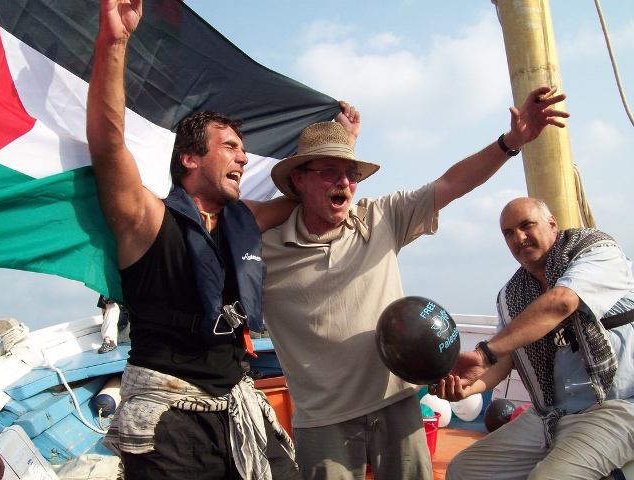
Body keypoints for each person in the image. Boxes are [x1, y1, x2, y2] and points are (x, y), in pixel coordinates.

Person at [85, 1, 364, 478]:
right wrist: (115, 42)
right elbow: (109, 144)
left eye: (243, 149)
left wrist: (343, 149)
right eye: (230, 147)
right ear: (190, 159)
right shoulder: (145, 218)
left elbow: (309, 195)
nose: (243, 158)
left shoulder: (244, 218)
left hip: (237, 404)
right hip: (169, 419)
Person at [261, 87, 569, 479]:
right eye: (330, 173)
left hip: (398, 405)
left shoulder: (381, 218)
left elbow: (451, 184)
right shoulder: (262, 249)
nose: (346, 183)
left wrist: (511, 142)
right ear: (299, 181)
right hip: (323, 421)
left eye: (351, 174)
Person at [430, 197, 634, 479]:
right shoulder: (511, 295)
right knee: (464, 470)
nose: (519, 238)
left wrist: (483, 353)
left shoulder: (597, 252)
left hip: (615, 406)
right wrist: (468, 388)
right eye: (509, 233)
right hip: (550, 413)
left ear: (552, 224)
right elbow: (507, 358)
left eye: (527, 225)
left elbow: (561, 302)